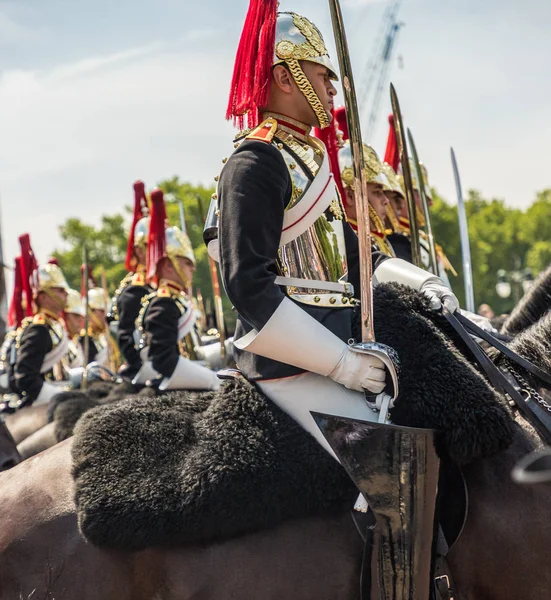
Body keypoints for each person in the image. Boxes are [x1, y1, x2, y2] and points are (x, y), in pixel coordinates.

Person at [210, 3, 460, 457]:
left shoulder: (308, 160)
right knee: (391, 464)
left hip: (336, 347)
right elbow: (248, 285)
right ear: (285, 78)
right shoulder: (253, 162)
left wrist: (420, 281)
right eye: (321, 74)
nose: (333, 87)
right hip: (289, 367)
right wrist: (342, 365)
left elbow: (357, 256)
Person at [133, 189, 220, 391]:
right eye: (186, 262)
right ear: (169, 266)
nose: (192, 268)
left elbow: (192, 353)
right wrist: (212, 380)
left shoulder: (175, 301)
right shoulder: (163, 303)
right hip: (176, 391)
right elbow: (163, 359)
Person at [11, 234, 71, 407]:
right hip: (42, 404)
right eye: (59, 290)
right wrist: (60, 397)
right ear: (43, 296)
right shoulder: (39, 329)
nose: (65, 294)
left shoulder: (54, 326)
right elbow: (26, 377)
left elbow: (59, 373)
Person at [108, 180, 154, 380]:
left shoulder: (159, 286)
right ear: (139, 251)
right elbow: (128, 340)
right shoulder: (136, 290)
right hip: (142, 377)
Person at [82, 287, 120, 371]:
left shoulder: (107, 336)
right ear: (90, 311)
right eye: (102, 311)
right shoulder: (85, 339)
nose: (106, 315)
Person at [64, 288, 86, 370]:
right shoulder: (58, 342)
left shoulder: (78, 342)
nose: (81, 319)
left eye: (81, 316)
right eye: (75, 315)